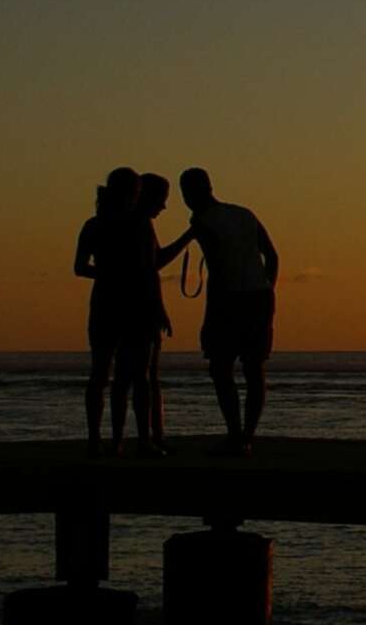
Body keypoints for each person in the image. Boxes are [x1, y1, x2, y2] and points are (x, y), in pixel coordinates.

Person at [174, 167, 277, 454]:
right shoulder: (244, 213)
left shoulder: (202, 221)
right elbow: (272, 255)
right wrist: (269, 289)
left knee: (221, 368)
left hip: (229, 299)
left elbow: (219, 269)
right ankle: (246, 435)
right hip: (259, 296)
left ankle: (236, 434)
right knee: (254, 368)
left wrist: (214, 313)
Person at [72, 168, 158, 456]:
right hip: (134, 303)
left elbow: (81, 267)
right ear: (134, 193)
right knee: (136, 377)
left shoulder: (93, 225)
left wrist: (106, 273)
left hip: (105, 302)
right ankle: (140, 441)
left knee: (101, 374)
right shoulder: (140, 225)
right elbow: (149, 269)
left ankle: (98, 440)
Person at [136, 171, 188, 454]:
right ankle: (150, 438)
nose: (164, 207)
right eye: (162, 200)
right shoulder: (142, 225)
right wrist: (189, 237)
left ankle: (152, 436)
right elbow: (152, 268)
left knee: (139, 376)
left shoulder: (135, 225)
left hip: (136, 305)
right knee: (146, 376)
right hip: (142, 307)